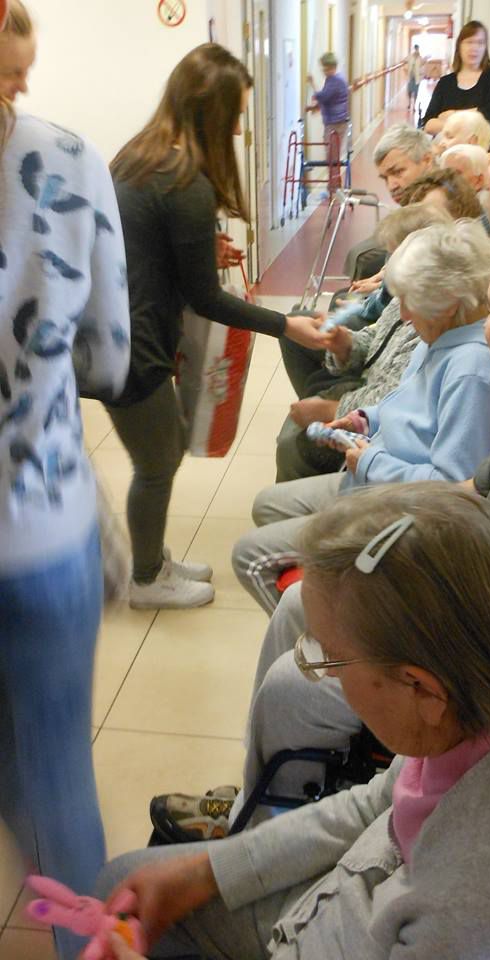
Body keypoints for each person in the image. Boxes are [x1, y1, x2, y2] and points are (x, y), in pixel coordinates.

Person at [165, 223, 490, 838]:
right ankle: (258, 799)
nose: (483, 326)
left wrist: (399, 622)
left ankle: (262, 825)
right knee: (307, 600)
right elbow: (470, 492)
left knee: (294, 689)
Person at [97, 484, 490, 960]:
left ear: (421, 689)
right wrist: (207, 872)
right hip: (367, 885)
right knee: (126, 886)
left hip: (365, 913)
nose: (323, 673)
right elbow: (379, 802)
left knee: (112, 893)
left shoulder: (472, 915)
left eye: (333, 659)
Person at [107, 44, 327, 611]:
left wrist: (200, 250)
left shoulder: (139, 155)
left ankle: (152, 559)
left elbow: (143, 244)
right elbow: (206, 300)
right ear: (209, 110)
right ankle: (147, 579)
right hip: (136, 343)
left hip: (118, 328)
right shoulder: (185, 180)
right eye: (234, 115)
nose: (236, 129)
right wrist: (287, 325)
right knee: (158, 462)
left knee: (163, 451)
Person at [0, 2, 130, 958]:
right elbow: (109, 357)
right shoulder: (71, 161)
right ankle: (86, 943)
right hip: (40, 525)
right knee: (56, 774)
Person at [231, 219, 490, 616]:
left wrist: (370, 462)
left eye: (410, 302)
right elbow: (405, 403)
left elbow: (454, 493)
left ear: (450, 300)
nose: (403, 315)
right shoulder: (439, 336)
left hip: (406, 516)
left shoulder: (471, 372)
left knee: (249, 556)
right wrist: (366, 419)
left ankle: (326, 634)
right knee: (268, 504)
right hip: (378, 481)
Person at [276, 204, 451, 483]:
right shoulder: (406, 295)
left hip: (378, 423)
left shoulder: (432, 326)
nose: (386, 267)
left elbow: (397, 397)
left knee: (291, 446)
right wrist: (345, 344)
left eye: (394, 255)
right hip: (367, 392)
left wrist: (334, 409)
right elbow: (376, 335)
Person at [280, 124, 435, 399]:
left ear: (427, 160)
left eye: (398, 172)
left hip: (390, 322)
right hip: (386, 311)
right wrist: (379, 280)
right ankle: (327, 391)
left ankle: (326, 401)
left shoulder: (434, 211)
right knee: (339, 300)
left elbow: (396, 299)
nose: (392, 185)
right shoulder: (414, 208)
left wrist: (364, 303)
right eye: (385, 177)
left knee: (295, 327)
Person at [421, 20, 490, 150]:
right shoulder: (445, 83)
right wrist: (473, 116)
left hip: (482, 155)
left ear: (485, 48)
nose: (474, 48)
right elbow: (428, 124)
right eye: (469, 42)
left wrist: (451, 116)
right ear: (459, 46)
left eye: (480, 43)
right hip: (447, 154)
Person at [441, 143, 490, 236]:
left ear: (478, 181)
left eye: (456, 174)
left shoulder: (484, 204)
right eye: (445, 173)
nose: (447, 179)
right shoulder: (454, 200)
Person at [307, 52, 349, 192]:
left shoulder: (335, 80)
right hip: (336, 122)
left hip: (335, 124)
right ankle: (334, 187)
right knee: (333, 157)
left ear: (332, 67)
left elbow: (324, 97)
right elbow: (327, 99)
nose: (324, 71)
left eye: (326, 68)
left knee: (332, 157)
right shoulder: (335, 79)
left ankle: (334, 188)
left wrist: (312, 84)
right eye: (323, 68)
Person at [406, 43, 422, 113]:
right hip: (410, 77)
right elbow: (405, 61)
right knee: (409, 91)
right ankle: (409, 103)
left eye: (417, 49)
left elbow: (422, 66)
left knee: (416, 92)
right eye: (415, 49)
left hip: (417, 78)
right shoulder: (410, 57)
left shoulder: (420, 58)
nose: (416, 50)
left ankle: (414, 106)